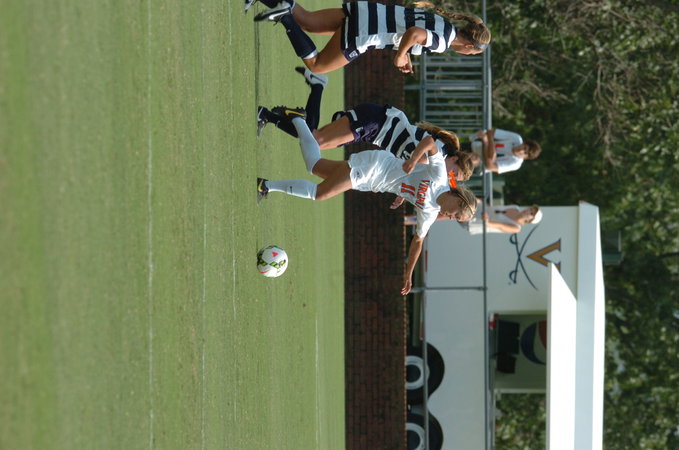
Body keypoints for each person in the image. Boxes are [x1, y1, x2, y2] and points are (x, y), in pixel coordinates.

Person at [256, 107, 478, 294]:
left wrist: (408, 273)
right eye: (456, 215)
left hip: (372, 182)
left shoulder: (430, 211)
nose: (450, 218)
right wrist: (413, 160)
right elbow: (429, 142)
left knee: (314, 165)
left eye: (455, 219)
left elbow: (418, 242)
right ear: (458, 200)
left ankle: (297, 119)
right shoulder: (439, 178)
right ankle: (265, 186)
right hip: (375, 166)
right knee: (320, 193)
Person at [258, 68, 475, 181]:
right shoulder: (440, 152)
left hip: (372, 132)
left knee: (312, 139)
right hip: (377, 121)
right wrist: (414, 162)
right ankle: (281, 112)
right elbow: (427, 144)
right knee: (315, 141)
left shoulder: (437, 162)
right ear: (454, 159)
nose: (450, 176)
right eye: (454, 173)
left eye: (454, 178)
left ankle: (309, 91)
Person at [249, 1, 491, 74]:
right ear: (469, 45)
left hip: (367, 12)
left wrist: (406, 55)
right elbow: (414, 33)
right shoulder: (443, 43)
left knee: (308, 21)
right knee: (318, 65)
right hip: (366, 32)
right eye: (472, 53)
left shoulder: (445, 25)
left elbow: (409, 29)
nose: (468, 54)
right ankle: (284, 17)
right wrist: (400, 56)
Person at [467, 128, 542, 174]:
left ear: (525, 158)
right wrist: (491, 153)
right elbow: (491, 132)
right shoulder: (516, 138)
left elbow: (490, 166)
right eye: (524, 147)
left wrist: (487, 143)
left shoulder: (516, 164)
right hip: (474, 146)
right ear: (524, 143)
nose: (521, 150)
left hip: (477, 165)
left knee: (475, 159)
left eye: (525, 153)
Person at [463, 201, 543, 234]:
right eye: (530, 209)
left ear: (530, 220)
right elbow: (492, 208)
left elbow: (496, 225)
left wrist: (486, 220)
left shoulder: (516, 228)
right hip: (476, 207)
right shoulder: (515, 207)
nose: (528, 211)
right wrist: (480, 201)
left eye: (531, 213)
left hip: (474, 222)